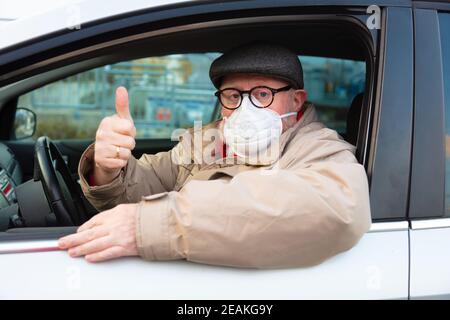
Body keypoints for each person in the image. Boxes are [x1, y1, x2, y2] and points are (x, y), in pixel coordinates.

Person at [58, 42, 371, 268]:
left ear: (296, 100)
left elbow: (336, 209)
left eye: (262, 94)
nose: (245, 108)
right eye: (234, 95)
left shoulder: (317, 148)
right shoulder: (204, 141)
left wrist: (152, 225)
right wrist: (108, 167)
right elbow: (151, 180)